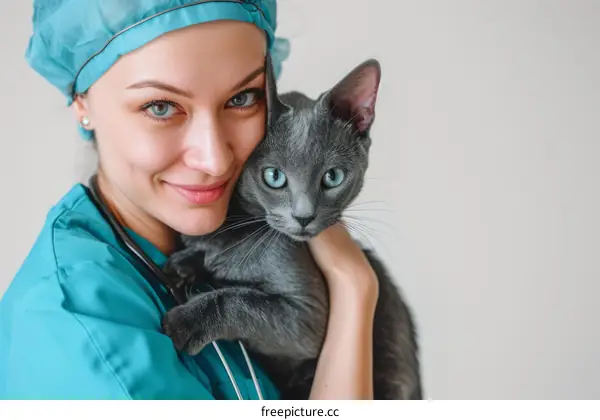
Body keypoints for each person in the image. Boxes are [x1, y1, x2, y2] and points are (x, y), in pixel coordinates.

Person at [0, 0, 379, 400]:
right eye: (160, 107)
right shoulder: (79, 328)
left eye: (242, 98)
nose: (215, 159)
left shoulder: (236, 231)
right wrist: (356, 289)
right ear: (82, 103)